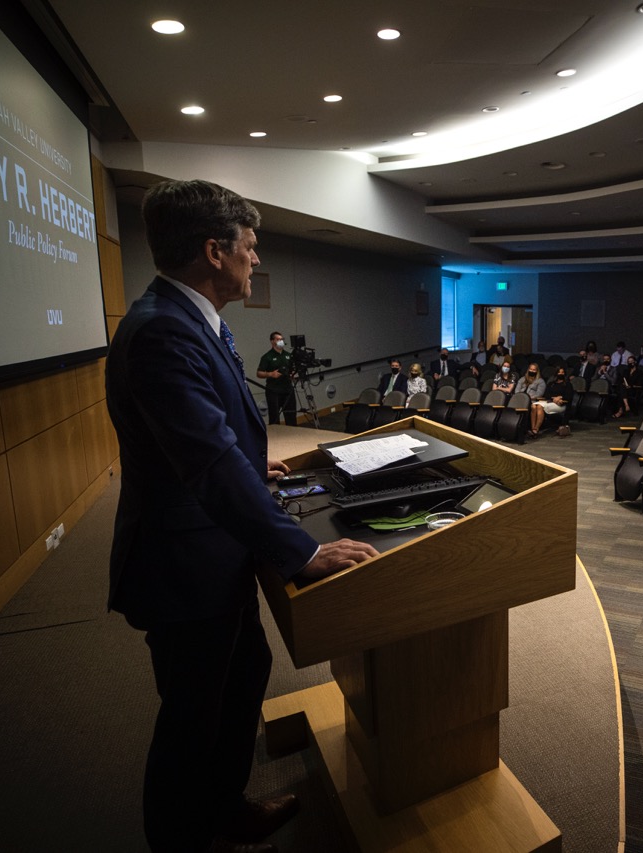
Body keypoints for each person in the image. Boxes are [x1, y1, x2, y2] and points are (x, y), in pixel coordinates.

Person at [105, 179, 379, 853]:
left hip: (213, 548)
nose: (256, 261)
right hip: (183, 565)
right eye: (251, 248)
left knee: (240, 678)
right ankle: (183, 838)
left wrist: (253, 471)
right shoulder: (163, 331)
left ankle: (223, 810)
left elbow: (208, 439)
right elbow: (205, 460)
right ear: (214, 251)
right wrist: (303, 551)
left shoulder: (188, 318)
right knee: (192, 717)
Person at [255, 331, 295, 426]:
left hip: (288, 389)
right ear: (272, 341)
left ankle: (293, 436)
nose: (281, 341)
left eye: (282, 339)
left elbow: (292, 370)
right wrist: (270, 374)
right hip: (273, 390)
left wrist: (293, 375)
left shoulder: (288, 355)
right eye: (278, 339)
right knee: (274, 417)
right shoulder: (267, 357)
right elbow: (259, 373)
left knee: (291, 415)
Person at [533, 366, 572, 435]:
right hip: (551, 401)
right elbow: (546, 395)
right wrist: (554, 398)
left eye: (562, 372)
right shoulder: (551, 384)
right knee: (533, 405)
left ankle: (536, 429)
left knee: (539, 406)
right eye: (559, 372)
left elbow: (569, 396)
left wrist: (560, 397)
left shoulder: (568, 384)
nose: (560, 374)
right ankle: (533, 427)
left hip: (561, 404)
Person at [515, 362, 546, 436]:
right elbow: (516, 390)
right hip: (520, 399)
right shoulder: (522, 379)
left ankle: (534, 428)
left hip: (532, 400)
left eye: (534, 370)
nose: (532, 371)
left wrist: (528, 397)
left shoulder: (540, 381)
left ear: (537, 371)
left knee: (534, 407)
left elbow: (539, 394)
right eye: (530, 369)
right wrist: (522, 397)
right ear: (528, 369)